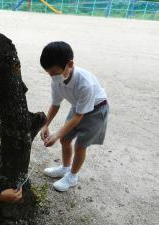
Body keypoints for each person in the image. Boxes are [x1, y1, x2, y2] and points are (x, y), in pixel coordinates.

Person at [39, 41, 109, 192]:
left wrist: (56, 134)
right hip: (79, 107)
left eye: (54, 72)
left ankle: (72, 176)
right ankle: (65, 168)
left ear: (70, 64)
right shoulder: (57, 81)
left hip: (96, 110)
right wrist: (45, 125)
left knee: (80, 146)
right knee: (65, 139)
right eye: (49, 73)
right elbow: (55, 105)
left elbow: (78, 117)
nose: (52, 76)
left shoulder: (85, 84)